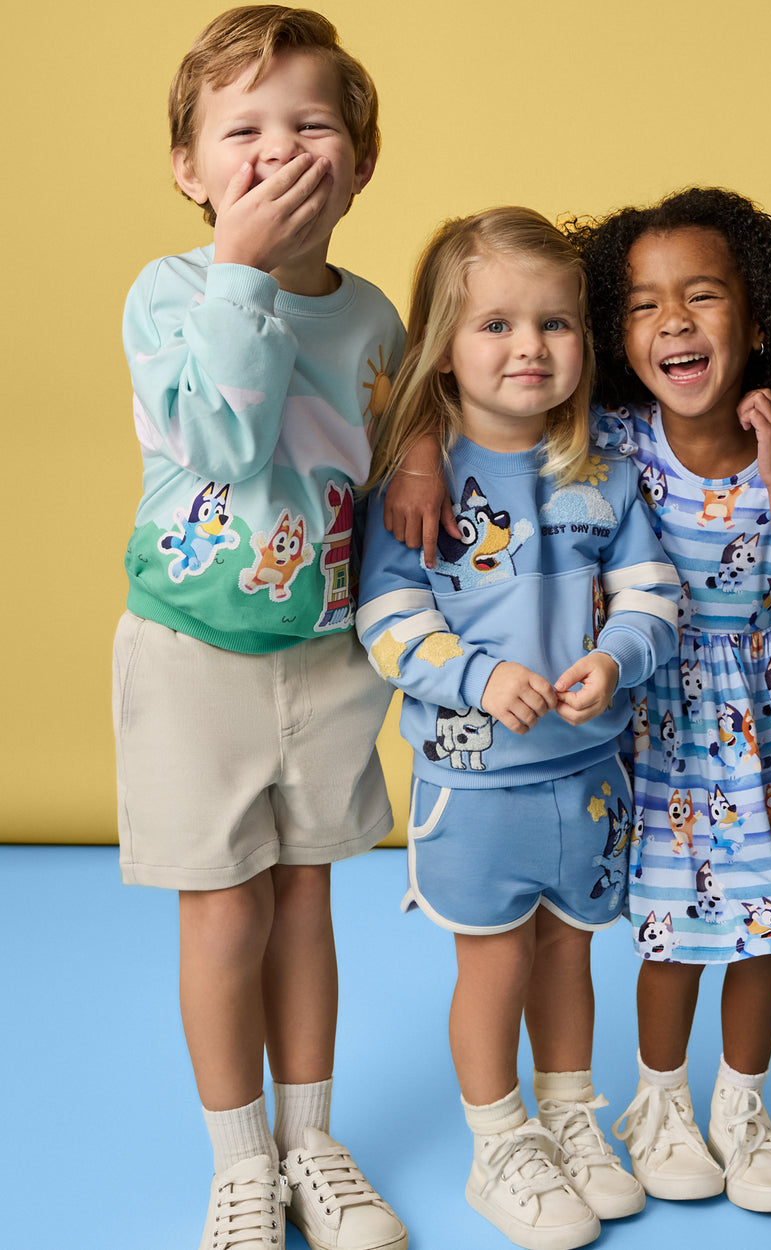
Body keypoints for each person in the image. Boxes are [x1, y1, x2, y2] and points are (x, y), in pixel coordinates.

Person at [113, 8, 408, 1250]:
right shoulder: (173, 294)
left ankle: (311, 1136)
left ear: (358, 161)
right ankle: (241, 1159)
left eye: (311, 124)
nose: (277, 150)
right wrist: (241, 268)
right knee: (224, 910)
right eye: (241, 129)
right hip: (191, 659)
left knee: (305, 901)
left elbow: (392, 481)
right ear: (191, 168)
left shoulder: (375, 317)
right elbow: (226, 444)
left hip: (327, 654)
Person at [358, 207, 682, 1250]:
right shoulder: (418, 482)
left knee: (568, 955)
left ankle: (569, 1119)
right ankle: (498, 1142)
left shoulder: (606, 472)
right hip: (477, 782)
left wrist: (617, 656)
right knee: (494, 962)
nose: (529, 347)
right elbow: (386, 619)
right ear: (444, 352)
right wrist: (478, 675)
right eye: (495, 324)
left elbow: (650, 592)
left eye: (553, 323)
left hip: (587, 775)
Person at [570, 187, 771, 1213]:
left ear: (758, 318)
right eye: (644, 305)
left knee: (760, 919)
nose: (674, 322)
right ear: (618, 334)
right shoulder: (610, 444)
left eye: (700, 296)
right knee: (670, 925)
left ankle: (741, 1105)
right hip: (656, 716)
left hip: (761, 719)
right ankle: (658, 1102)